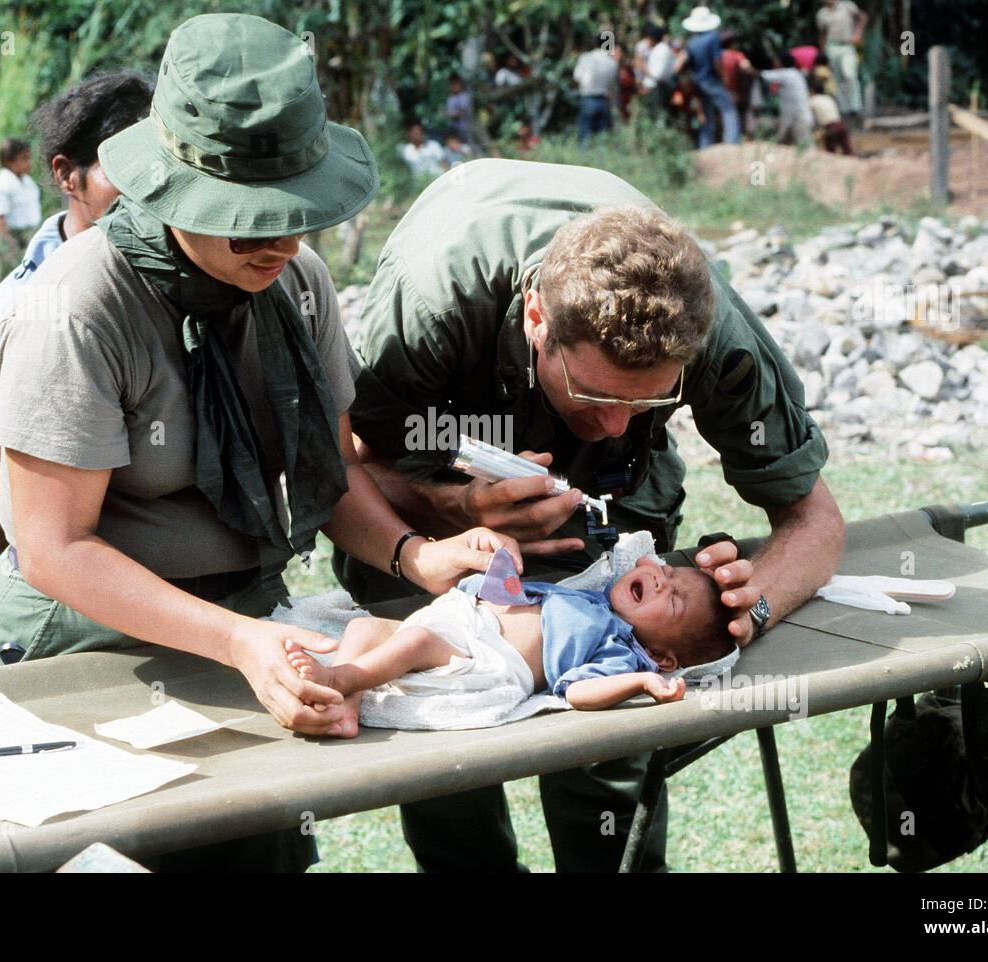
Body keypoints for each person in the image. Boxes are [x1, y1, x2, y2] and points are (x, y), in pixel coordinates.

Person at [0, 13, 525, 873]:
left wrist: (415, 554)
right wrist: (237, 641)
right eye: (246, 220)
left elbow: (329, 467)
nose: (281, 242)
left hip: (245, 626)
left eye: (296, 215)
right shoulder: (77, 306)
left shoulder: (294, 284)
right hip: (86, 650)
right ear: (175, 184)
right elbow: (51, 547)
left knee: (257, 857)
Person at [337, 159, 846, 872]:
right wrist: (451, 508)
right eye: (593, 394)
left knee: (610, 749)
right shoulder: (435, 300)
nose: (611, 425)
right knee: (439, 731)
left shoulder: (708, 326)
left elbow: (816, 519)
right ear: (537, 318)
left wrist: (743, 610)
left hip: (612, 499)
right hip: (437, 473)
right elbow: (345, 468)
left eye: (645, 403)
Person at [0, 71, 154, 556]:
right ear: (67, 175)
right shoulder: (25, 305)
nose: (150, 191)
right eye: (124, 172)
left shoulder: (179, 282)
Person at [290, 556, 734, 736]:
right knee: (365, 632)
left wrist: (640, 680)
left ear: (660, 656)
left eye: (673, 600)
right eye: (668, 574)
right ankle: (343, 706)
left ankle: (338, 678)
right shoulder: (594, 596)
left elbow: (576, 694)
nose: (661, 580)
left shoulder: (618, 651)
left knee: (418, 642)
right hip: (468, 622)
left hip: (489, 661)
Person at [682, 6, 740, 148]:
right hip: (710, 80)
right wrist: (724, 77)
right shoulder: (713, 37)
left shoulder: (690, 42)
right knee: (728, 107)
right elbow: (716, 61)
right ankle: (732, 142)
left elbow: (687, 64)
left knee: (706, 114)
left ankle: (705, 146)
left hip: (697, 82)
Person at [0, 137, 42, 256]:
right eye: (24, 159)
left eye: (29, 158)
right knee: (2, 274)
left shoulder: (28, 182)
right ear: (9, 161)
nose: (29, 163)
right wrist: (13, 247)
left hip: (31, 238)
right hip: (12, 242)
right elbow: (0, 224)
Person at [816, 0, 867, 122]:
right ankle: (844, 109)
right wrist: (822, 55)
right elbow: (822, 34)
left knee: (849, 74)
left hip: (847, 46)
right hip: (831, 46)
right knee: (836, 78)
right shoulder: (821, 14)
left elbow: (863, 17)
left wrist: (858, 34)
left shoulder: (847, 6)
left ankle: (856, 107)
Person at [573, 27, 619, 144]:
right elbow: (611, 85)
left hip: (587, 98)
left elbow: (577, 78)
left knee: (584, 136)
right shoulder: (612, 62)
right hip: (603, 100)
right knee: (601, 139)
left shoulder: (585, 57)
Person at [762, 58, 815, 145]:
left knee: (804, 146)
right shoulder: (795, 73)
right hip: (798, 116)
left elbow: (764, 75)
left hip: (797, 117)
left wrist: (747, 68)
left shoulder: (786, 74)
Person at [641, 21, 678, 124]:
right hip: (657, 88)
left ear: (652, 38)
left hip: (659, 89)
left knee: (658, 119)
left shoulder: (661, 50)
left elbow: (658, 75)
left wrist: (643, 69)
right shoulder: (659, 49)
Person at [809, 74, 852, 154]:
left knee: (831, 153)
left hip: (830, 128)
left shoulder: (812, 100)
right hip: (841, 125)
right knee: (847, 151)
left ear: (812, 91)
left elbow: (807, 116)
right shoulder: (829, 98)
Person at [445, 73, 474, 144]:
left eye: (456, 84)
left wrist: (451, 115)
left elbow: (462, 112)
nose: (454, 86)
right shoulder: (450, 99)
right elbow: (447, 113)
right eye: (452, 84)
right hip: (453, 129)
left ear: (460, 84)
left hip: (465, 128)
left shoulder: (464, 96)